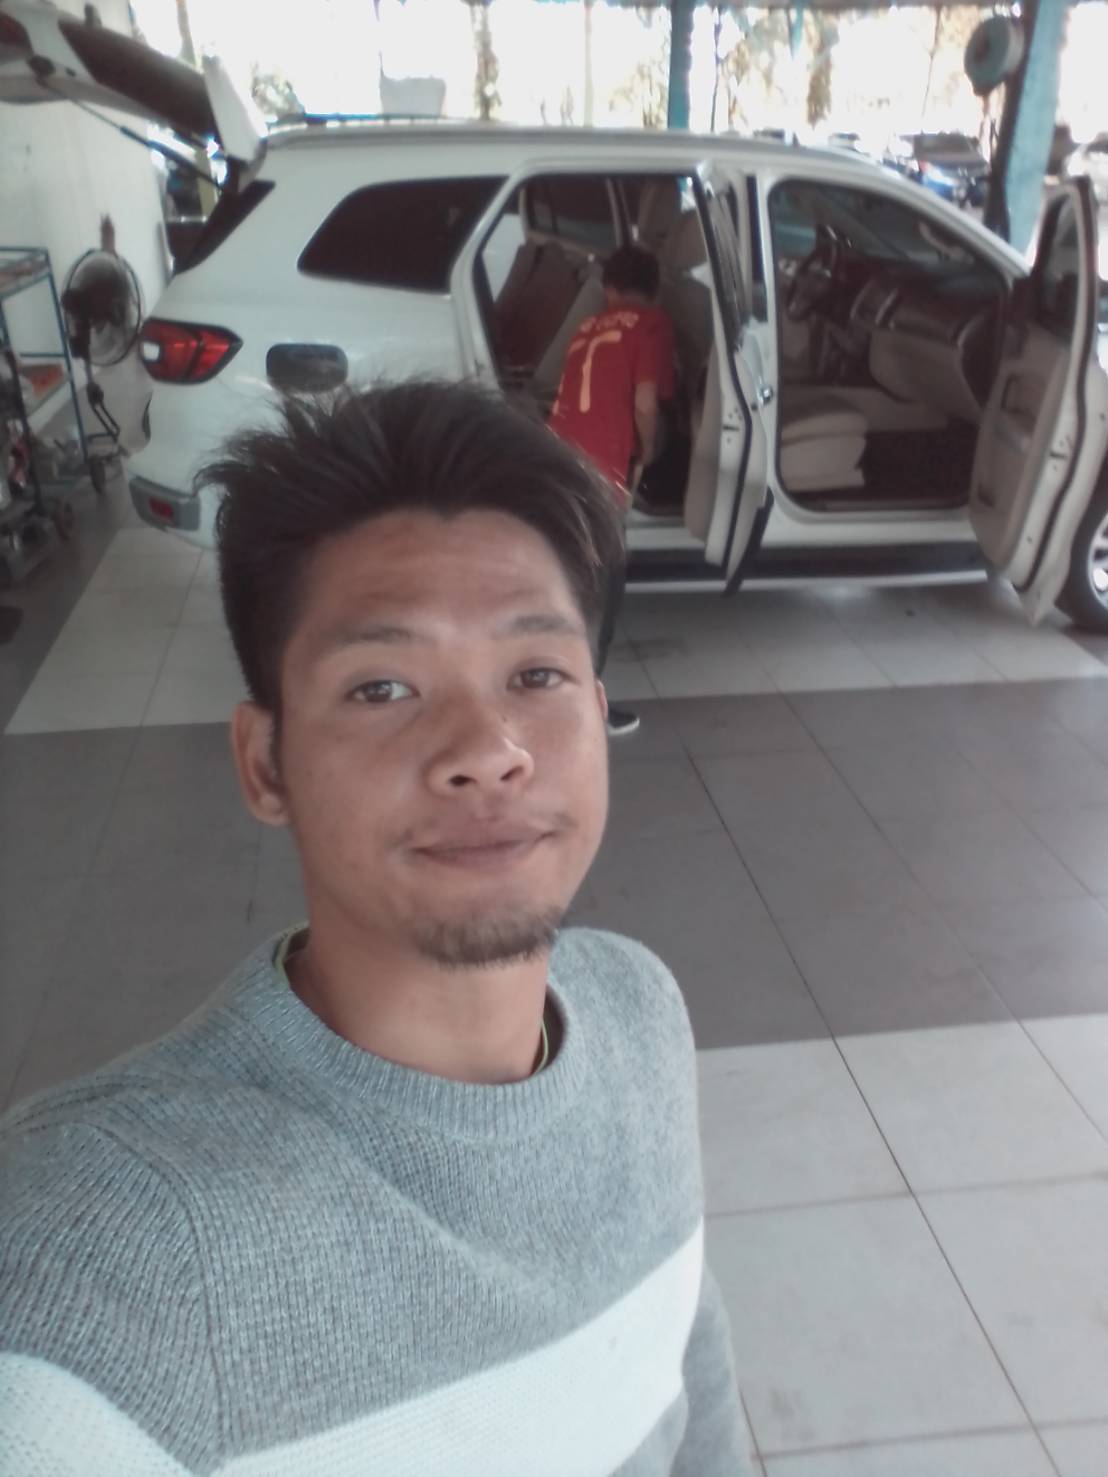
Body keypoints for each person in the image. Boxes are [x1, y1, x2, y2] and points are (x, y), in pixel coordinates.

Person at [0, 380, 753, 1475]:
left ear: (598, 715)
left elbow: (688, 1366)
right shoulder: (109, 1249)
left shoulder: (641, 1012)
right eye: (383, 686)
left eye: (536, 673)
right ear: (266, 764)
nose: (487, 749)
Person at [549, 244, 676, 740]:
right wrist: (649, 449)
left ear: (609, 290)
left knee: (569, 577)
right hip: (601, 470)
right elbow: (645, 403)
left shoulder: (587, 326)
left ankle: (554, 690)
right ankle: (584, 709)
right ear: (654, 289)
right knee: (603, 588)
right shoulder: (652, 324)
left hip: (557, 457)